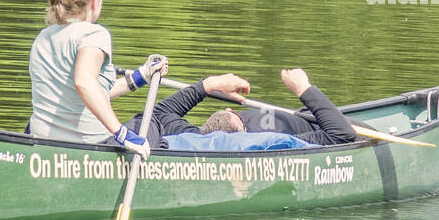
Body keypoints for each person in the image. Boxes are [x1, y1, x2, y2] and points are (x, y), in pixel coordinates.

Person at [27, 0, 251, 159]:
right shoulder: (94, 34)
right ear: (96, 1)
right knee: (154, 118)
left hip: (43, 141)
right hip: (89, 147)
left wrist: (140, 76)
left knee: (150, 117)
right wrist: (121, 133)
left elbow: (86, 93)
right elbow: (84, 84)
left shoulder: (44, 37)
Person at [125, 68, 356, 149]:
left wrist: (210, 85)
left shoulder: (194, 136)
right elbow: (342, 135)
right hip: (334, 124)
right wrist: (304, 89)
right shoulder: (268, 142)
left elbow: (158, 114)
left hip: (311, 117)